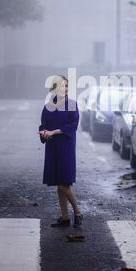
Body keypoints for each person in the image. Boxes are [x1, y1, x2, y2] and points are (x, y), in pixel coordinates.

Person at [38, 75, 83, 228]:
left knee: (64, 183)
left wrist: (53, 132)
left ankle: (77, 212)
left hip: (65, 148)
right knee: (59, 184)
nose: (64, 89)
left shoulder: (72, 105)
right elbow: (43, 125)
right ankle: (65, 218)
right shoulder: (48, 107)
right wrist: (44, 132)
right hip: (52, 148)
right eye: (61, 86)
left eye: (66, 86)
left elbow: (72, 126)